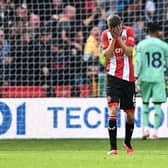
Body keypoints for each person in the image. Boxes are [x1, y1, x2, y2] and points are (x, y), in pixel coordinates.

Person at [102, 14, 135, 155]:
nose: (115, 30)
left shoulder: (129, 32)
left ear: (121, 25)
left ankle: (127, 143)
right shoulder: (105, 35)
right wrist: (113, 40)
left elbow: (129, 52)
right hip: (113, 77)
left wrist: (119, 40)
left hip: (128, 78)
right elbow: (107, 55)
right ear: (109, 28)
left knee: (130, 116)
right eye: (112, 29)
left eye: (117, 28)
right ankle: (113, 148)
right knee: (113, 110)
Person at [134, 22, 168, 140]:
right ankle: (155, 132)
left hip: (145, 77)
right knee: (157, 104)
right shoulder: (164, 45)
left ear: (148, 31)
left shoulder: (141, 45)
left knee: (145, 103)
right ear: (158, 32)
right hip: (158, 78)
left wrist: (135, 76)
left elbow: (138, 62)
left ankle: (146, 129)